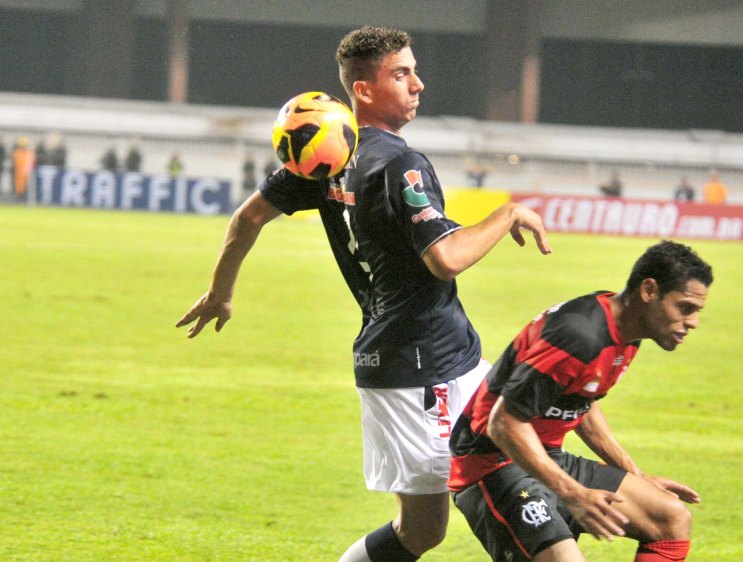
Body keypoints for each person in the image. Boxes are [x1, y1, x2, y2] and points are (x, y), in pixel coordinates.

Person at [176, 25, 551, 562]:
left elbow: (248, 217)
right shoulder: (400, 163)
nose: (418, 84)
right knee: (511, 482)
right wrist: (508, 211)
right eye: (401, 74)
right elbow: (445, 259)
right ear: (364, 90)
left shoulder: (328, 154)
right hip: (424, 366)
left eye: (415, 71)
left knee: (423, 530)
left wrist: (220, 292)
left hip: (426, 357)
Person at [449, 240, 713, 562]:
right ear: (649, 291)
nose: (693, 322)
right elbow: (503, 423)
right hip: (492, 464)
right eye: (685, 307)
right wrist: (573, 494)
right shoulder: (581, 334)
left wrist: (635, 475)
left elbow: (581, 398)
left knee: (670, 517)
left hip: (545, 457)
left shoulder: (625, 331)